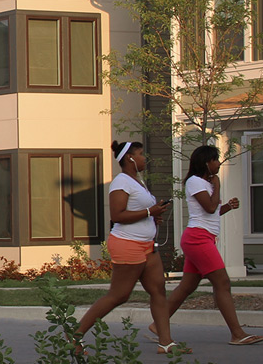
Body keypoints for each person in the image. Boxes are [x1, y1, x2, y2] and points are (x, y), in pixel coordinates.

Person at [75, 141, 188, 355]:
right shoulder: (121, 182)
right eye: (141, 154)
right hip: (127, 244)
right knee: (119, 295)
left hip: (147, 246)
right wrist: (149, 213)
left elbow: (140, 211)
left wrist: (153, 217)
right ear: (130, 158)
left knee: (158, 290)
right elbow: (117, 216)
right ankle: (75, 336)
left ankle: (166, 343)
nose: (145, 158)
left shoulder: (137, 182)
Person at [147, 145, 263, 346]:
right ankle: (237, 334)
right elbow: (209, 208)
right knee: (222, 283)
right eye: (215, 160)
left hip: (203, 237)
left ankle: (158, 325)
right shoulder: (194, 182)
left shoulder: (205, 184)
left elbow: (212, 213)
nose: (218, 163)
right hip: (197, 239)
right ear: (206, 163)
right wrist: (217, 185)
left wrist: (227, 206)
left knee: (186, 287)